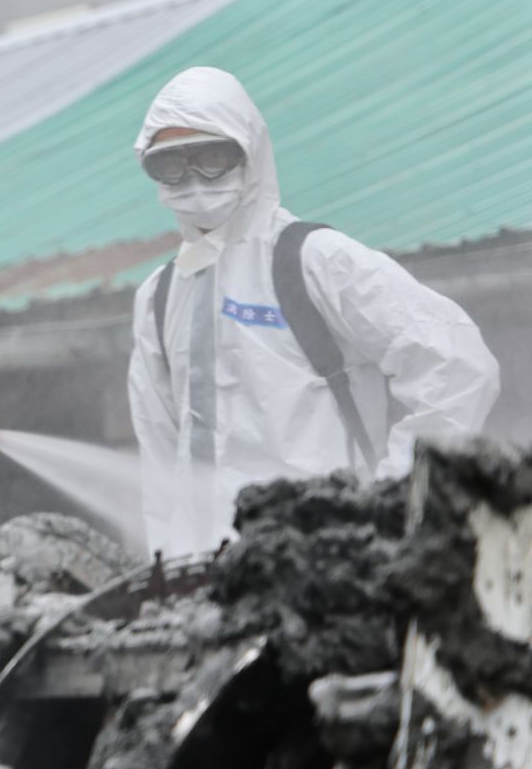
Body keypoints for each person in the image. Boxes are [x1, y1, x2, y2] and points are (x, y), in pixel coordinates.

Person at [127, 67, 499, 557]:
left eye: (214, 157)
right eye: (171, 165)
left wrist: (385, 498)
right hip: (209, 583)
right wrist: (169, 570)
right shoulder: (159, 296)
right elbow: (159, 459)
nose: (193, 180)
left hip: (327, 568)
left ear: (251, 151)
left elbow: (457, 366)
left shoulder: (314, 260)